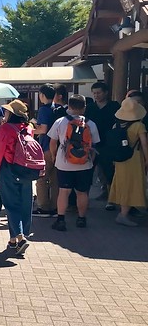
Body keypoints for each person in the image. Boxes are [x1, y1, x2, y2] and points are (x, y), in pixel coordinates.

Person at [0, 100, 36, 255]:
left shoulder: (6, 129)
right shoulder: (29, 128)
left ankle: (21, 237)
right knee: (24, 204)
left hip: (9, 170)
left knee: (11, 205)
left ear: (12, 114)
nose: (5, 113)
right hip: (27, 170)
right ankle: (13, 241)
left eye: (7, 111)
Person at [48, 94, 101, 231]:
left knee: (64, 191)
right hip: (85, 163)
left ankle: (61, 220)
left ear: (69, 107)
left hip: (64, 163)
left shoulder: (60, 121)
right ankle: (81, 218)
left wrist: (54, 156)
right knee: (82, 193)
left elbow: (53, 142)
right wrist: (91, 161)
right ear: (84, 107)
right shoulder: (91, 123)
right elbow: (95, 146)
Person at [108, 98, 148, 226]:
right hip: (134, 159)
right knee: (132, 185)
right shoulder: (139, 126)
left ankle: (123, 211)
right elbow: (144, 145)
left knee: (122, 184)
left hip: (119, 159)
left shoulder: (116, 124)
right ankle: (123, 215)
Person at [85, 81, 120, 205]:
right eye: (94, 93)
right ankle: (85, 198)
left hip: (108, 143)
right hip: (92, 143)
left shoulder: (114, 106)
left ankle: (112, 198)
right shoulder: (89, 107)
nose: (96, 95)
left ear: (105, 93)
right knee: (88, 171)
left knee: (109, 171)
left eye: (99, 93)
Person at [33, 84, 59, 217]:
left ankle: (43, 207)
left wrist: (31, 129)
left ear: (42, 95)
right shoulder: (57, 108)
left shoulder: (43, 110)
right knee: (55, 179)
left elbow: (43, 129)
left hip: (46, 146)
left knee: (42, 177)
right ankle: (55, 207)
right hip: (57, 147)